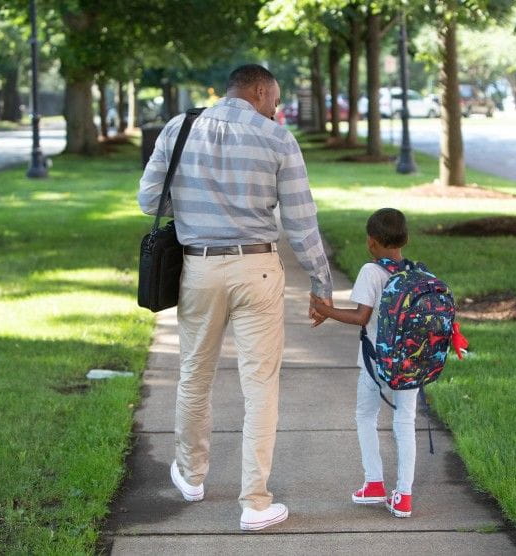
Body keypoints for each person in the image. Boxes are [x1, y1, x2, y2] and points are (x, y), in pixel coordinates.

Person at [138, 64, 333, 531]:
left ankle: (190, 476)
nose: (277, 109)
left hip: (199, 267)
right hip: (257, 267)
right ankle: (255, 502)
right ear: (260, 90)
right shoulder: (277, 139)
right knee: (260, 385)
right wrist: (321, 284)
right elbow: (302, 221)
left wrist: (195, 196)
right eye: (276, 100)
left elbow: (150, 201)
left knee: (194, 375)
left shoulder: (179, 127)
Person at [311, 208, 417, 518]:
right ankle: (404, 496)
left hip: (377, 361)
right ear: (406, 239)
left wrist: (325, 310)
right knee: (405, 422)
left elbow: (361, 316)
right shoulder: (412, 272)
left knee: (365, 415)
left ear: (371, 242)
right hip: (410, 361)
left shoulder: (371, 271)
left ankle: (374, 484)